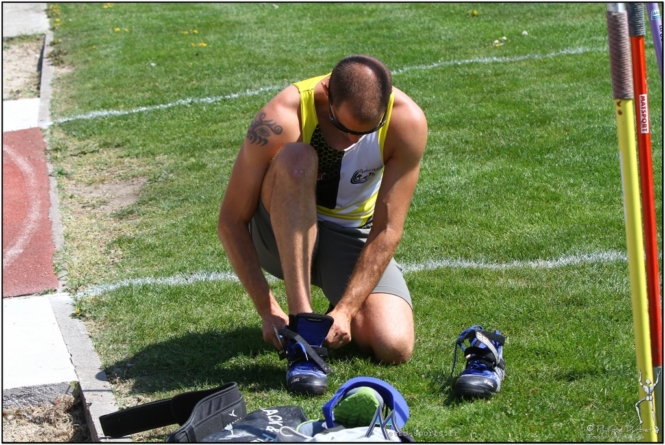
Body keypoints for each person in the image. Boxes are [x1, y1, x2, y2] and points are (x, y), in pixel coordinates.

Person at [217, 54, 428, 395]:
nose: (350, 141)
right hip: (275, 233)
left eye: (365, 131)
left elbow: (388, 228)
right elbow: (230, 221)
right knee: (298, 158)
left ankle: (333, 310)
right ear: (326, 91)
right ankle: (305, 333)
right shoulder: (282, 116)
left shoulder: (407, 121)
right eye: (341, 126)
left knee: (393, 345)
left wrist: (346, 310)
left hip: (348, 234)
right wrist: (268, 311)